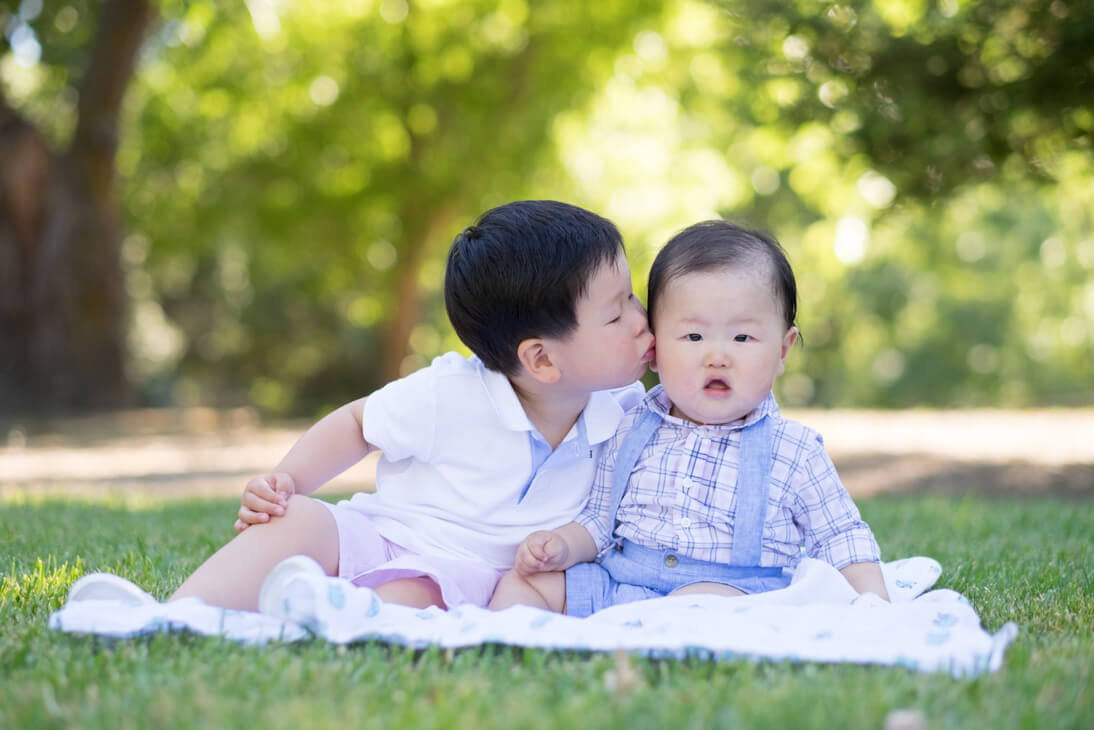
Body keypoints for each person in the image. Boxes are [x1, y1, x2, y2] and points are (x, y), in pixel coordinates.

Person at [156, 200, 655, 612]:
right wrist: (289, 483)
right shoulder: (450, 393)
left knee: (414, 599)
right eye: (617, 314)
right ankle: (177, 615)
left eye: (633, 298)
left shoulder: (632, 412)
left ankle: (321, 610)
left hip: (470, 577)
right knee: (299, 521)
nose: (640, 319)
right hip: (388, 533)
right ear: (541, 359)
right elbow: (357, 423)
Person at [489, 220, 889, 616]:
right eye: (694, 337)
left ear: (783, 351)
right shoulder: (632, 428)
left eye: (742, 338)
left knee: (699, 605)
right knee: (524, 582)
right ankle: (512, 649)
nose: (717, 355)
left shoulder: (794, 451)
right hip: (622, 585)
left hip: (731, 596)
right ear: (656, 349)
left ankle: (643, 645)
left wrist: (874, 605)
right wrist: (562, 545)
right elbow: (599, 520)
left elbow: (840, 537)